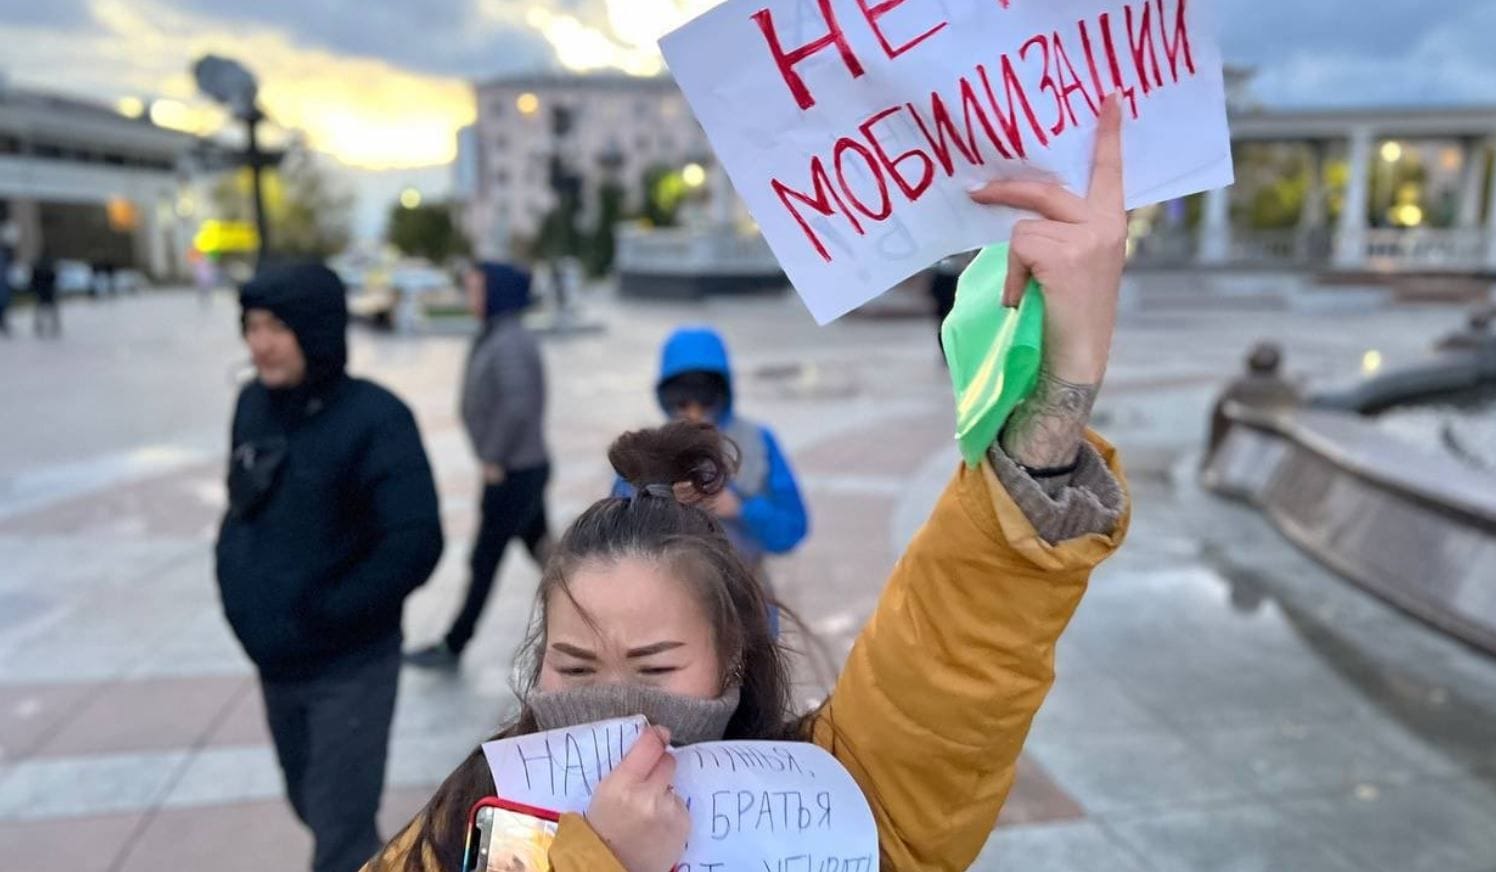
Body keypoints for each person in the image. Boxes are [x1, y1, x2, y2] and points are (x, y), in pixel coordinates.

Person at [367, 94, 1132, 872]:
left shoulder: (830, 806)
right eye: (573, 667)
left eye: (659, 668)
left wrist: (1054, 396)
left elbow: (953, 660)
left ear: (734, 657)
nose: (617, 709)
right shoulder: (458, 830)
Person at [216, 262, 444, 872]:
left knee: (340, 829)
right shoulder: (251, 406)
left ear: (314, 331)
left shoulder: (375, 417)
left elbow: (416, 542)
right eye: (251, 325)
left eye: (276, 327)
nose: (259, 342)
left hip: (351, 664)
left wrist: (327, 612)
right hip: (276, 662)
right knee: (311, 804)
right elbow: (243, 510)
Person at [406, 262, 550, 670]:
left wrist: (494, 457)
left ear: (496, 292)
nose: (469, 297)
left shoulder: (509, 342)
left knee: (484, 560)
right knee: (545, 551)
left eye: (475, 288)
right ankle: (596, 612)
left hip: (512, 471)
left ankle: (454, 642)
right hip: (522, 467)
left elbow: (519, 407)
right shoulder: (501, 334)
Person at [613, 326, 807, 621]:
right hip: (669, 608)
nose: (694, 414)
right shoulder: (649, 451)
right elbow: (616, 535)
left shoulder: (756, 441)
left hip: (746, 604)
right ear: (666, 398)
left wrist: (742, 508)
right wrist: (660, 501)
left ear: (722, 394)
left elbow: (791, 530)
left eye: (705, 402)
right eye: (682, 403)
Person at [30, 256, 59, 338]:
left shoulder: (39, 267)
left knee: (44, 310)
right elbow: (54, 278)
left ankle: (42, 325)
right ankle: (46, 325)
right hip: (46, 291)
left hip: (44, 291)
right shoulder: (48, 267)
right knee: (47, 310)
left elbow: (34, 280)